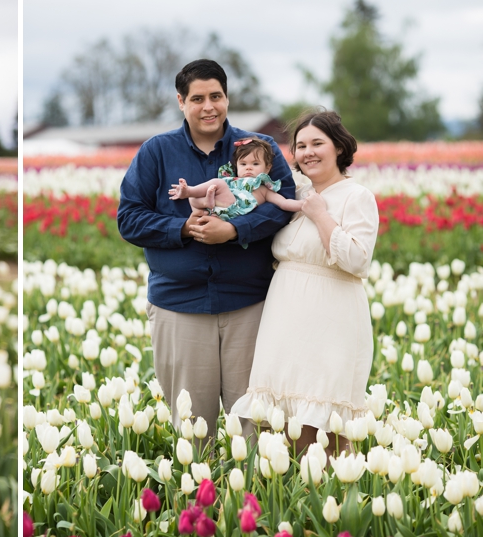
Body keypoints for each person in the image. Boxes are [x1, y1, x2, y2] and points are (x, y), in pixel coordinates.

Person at [117, 59, 297, 443]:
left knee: (254, 428)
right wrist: (181, 228)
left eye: (216, 96)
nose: (208, 106)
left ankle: (249, 503)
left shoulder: (259, 149)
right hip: (179, 305)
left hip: (249, 303)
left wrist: (234, 229)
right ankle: (201, 503)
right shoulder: (156, 152)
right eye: (197, 98)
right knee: (194, 432)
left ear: (227, 98)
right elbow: (129, 218)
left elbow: (284, 206)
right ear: (181, 102)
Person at [227, 112, 379, 455]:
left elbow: (357, 260)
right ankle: (290, 504)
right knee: (281, 423)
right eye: (300, 146)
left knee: (324, 424)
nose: (308, 152)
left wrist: (321, 215)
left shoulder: (357, 196)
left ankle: (334, 500)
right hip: (283, 317)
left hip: (330, 318)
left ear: (339, 147)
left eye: (317, 143)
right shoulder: (292, 192)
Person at [169, 137, 304, 219]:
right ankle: (203, 202)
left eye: (255, 164)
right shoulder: (233, 181)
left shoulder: (264, 189)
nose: (248, 168)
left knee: (217, 184)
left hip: (235, 209)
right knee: (194, 199)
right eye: (243, 164)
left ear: (267, 168)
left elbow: (284, 203)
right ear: (237, 166)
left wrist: (303, 204)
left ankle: (189, 191)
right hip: (217, 210)